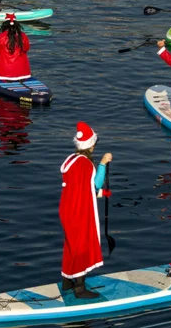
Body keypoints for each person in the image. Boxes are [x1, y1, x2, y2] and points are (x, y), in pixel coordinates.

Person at [59, 121, 113, 299]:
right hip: (80, 212)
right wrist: (104, 163)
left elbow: (82, 187)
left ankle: (67, 281)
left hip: (67, 209)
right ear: (91, 145)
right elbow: (95, 183)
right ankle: (79, 288)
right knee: (82, 245)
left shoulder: (71, 160)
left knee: (70, 244)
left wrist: (101, 193)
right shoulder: (86, 164)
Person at [0, 14, 31, 81]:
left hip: (4, 71)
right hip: (22, 71)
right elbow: (26, 48)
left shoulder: (1, 36)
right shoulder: (23, 36)